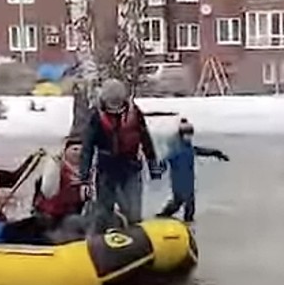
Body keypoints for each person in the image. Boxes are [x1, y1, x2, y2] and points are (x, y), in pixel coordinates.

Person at [79, 78, 162, 232]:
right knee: (104, 213)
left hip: (130, 168)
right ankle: (103, 240)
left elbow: (146, 140)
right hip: (106, 171)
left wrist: (153, 164)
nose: (115, 108)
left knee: (133, 212)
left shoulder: (135, 114)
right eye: (112, 103)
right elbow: (87, 148)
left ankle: (134, 238)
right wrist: (84, 178)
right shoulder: (96, 118)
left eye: (118, 103)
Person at [158, 117, 229, 223]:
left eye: (190, 134)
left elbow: (200, 151)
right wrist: (159, 169)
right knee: (178, 201)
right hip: (178, 180)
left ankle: (187, 221)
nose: (189, 137)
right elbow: (165, 161)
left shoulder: (188, 148)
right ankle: (163, 216)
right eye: (186, 134)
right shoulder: (175, 149)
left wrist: (215, 153)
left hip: (189, 180)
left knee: (189, 203)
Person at [32, 135, 91, 243]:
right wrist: (80, 194)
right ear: (65, 151)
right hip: (53, 218)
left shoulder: (88, 172)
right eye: (74, 149)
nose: (78, 153)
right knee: (78, 223)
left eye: (82, 150)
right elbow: (50, 193)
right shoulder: (57, 169)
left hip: (75, 214)